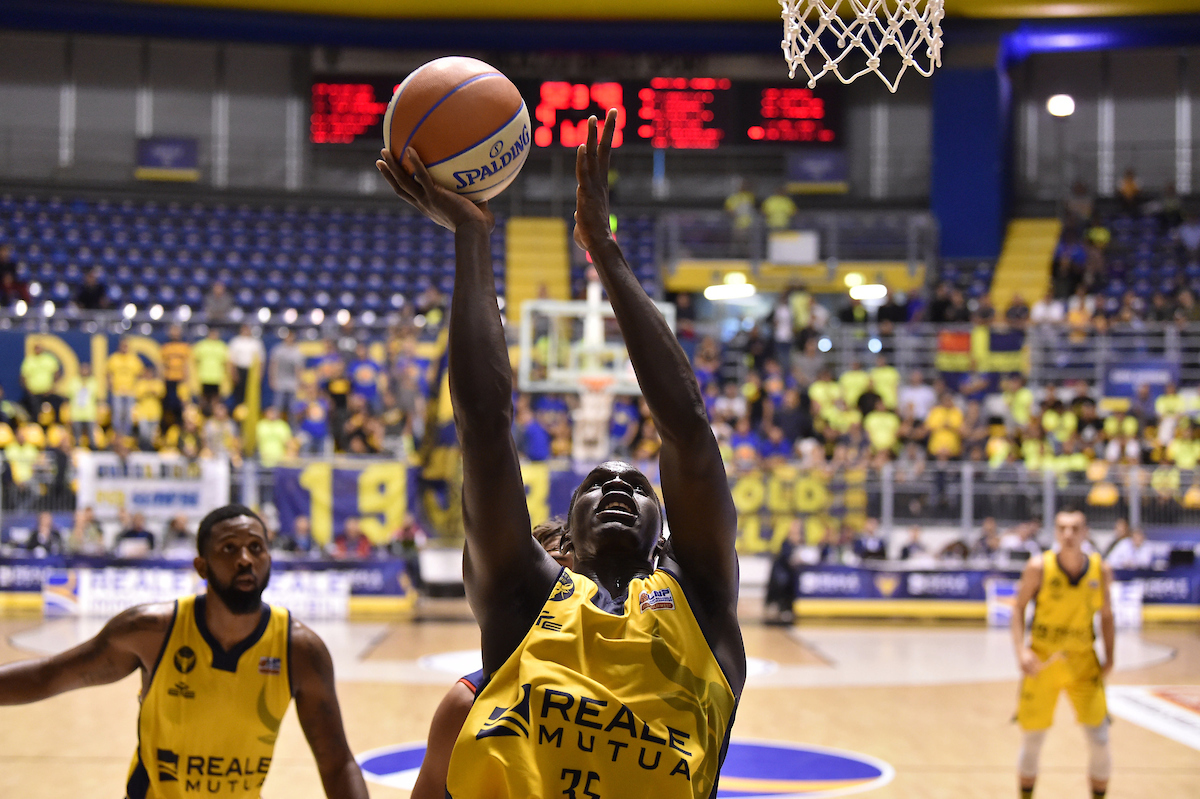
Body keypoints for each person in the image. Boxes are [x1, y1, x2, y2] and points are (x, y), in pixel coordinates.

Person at [377, 109, 745, 799]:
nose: (615, 485)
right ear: (563, 540)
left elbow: (688, 428)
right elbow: (485, 427)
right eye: (595, 484)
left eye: (637, 485)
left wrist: (605, 252)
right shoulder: (523, 601)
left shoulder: (705, 609)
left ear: (666, 532)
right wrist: (471, 234)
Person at [0, 504, 369, 799]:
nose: (245, 559)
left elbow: (337, 764)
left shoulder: (300, 650)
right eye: (229, 549)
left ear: (269, 559)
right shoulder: (150, 631)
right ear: (202, 567)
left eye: (256, 548)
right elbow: (48, 676)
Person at [410, 520, 571, 799]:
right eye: (554, 571)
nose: (564, 585)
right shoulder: (467, 701)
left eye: (573, 573)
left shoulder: (626, 688)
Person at [1010, 509, 1114, 799]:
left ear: (1085, 532)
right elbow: (1017, 609)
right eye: (1062, 528)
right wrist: (1021, 651)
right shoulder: (1038, 567)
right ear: (1055, 532)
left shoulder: (1100, 570)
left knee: (1100, 740)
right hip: (1043, 662)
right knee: (1033, 740)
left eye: (1075, 528)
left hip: (1083, 662)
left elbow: (1107, 615)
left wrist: (1112, 656)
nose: (1068, 534)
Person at [107, 338, 142, 439]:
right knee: (117, 413)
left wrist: (136, 386)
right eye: (122, 346)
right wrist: (110, 386)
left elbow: (140, 373)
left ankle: (127, 436)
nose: (124, 348)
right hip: (117, 391)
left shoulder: (133, 359)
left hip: (130, 391)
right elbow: (108, 374)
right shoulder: (114, 358)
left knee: (128, 414)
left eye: (126, 346)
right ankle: (117, 435)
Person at [160, 325, 191, 432]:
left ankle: (181, 431)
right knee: (167, 407)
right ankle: (166, 432)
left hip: (180, 380)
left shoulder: (184, 347)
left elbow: (186, 364)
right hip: (169, 380)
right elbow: (163, 365)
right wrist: (162, 379)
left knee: (181, 406)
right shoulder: (166, 347)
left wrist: (187, 379)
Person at [228, 324, 266, 408]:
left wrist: (259, 374)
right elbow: (231, 360)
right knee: (239, 395)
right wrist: (234, 374)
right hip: (240, 370)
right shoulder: (236, 342)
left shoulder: (256, 343)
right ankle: (238, 414)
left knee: (251, 395)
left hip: (252, 372)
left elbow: (261, 361)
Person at [192, 328, 229, 415]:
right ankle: (200, 417)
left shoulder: (222, 346)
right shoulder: (201, 345)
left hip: (217, 378)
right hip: (203, 377)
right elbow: (194, 362)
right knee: (202, 399)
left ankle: (214, 416)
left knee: (215, 400)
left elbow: (227, 363)